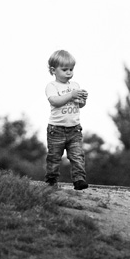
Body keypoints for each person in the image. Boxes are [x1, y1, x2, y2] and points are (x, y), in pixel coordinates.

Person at [44, 49, 89, 190]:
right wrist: (71, 95)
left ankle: (79, 179)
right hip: (56, 129)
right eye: (64, 70)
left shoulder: (74, 86)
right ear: (53, 70)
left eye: (71, 69)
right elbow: (55, 101)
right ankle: (51, 179)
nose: (69, 72)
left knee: (77, 155)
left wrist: (83, 99)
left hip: (74, 128)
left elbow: (79, 105)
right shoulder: (52, 86)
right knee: (54, 156)